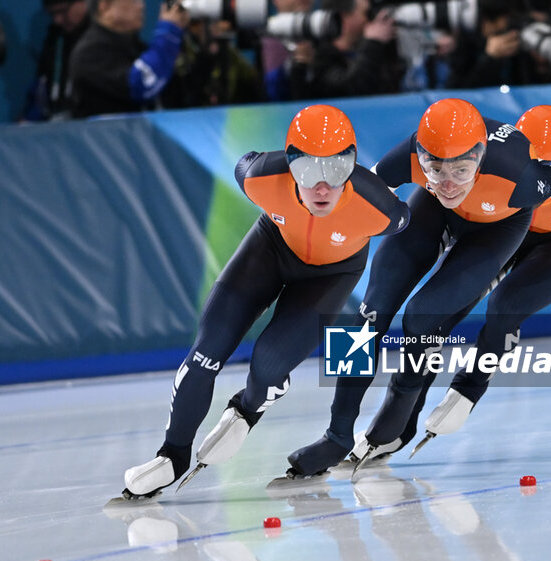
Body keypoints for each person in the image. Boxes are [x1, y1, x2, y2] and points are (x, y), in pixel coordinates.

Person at [286, 98, 551, 479]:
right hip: (448, 211)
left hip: (506, 229)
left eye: (460, 168)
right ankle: (338, 433)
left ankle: (434, 403)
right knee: (370, 311)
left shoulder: (534, 179)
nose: (447, 179)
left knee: (432, 317)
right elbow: (363, 189)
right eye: (434, 165)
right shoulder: (421, 155)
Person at [122, 104, 410, 500]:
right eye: (308, 170)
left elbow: (410, 220)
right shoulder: (259, 176)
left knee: (269, 364)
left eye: (337, 168)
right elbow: (244, 163)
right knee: (207, 351)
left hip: (332, 275)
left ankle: (247, 409)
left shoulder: (380, 209)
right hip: (269, 250)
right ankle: (172, 454)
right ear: (289, 164)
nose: (322, 186)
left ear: (353, 163)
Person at [383, 104, 551, 457]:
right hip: (502, 231)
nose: (539, 179)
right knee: (436, 314)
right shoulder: (495, 169)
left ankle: (470, 386)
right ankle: (401, 419)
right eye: (534, 164)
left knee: (506, 306)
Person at [69, 0, 190, 118]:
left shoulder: (137, 47)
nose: (142, 6)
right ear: (104, 6)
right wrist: (168, 33)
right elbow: (141, 84)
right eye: (134, 1)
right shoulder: (89, 52)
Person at [288, 0, 404, 99]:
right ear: (345, 17)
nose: (369, 20)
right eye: (366, 13)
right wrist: (373, 43)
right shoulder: (319, 58)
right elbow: (352, 90)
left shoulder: (368, 50)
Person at [445, 0, 551, 89]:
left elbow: (532, 85)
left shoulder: (515, 41)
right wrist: (490, 58)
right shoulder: (465, 44)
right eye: (506, 19)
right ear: (486, 20)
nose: (506, 25)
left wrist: (541, 67)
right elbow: (457, 89)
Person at [162, 18, 265, 109]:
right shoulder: (178, 51)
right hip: (188, 123)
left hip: (223, 122)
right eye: (208, 22)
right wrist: (206, 55)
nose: (217, 26)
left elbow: (255, 89)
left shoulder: (227, 51)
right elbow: (184, 98)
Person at [22, 0, 91, 121]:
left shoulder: (105, 40)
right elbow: (40, 91)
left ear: (83, 3)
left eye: (62, 11)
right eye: (52, 14)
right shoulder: (54, 40)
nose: (57, 20)